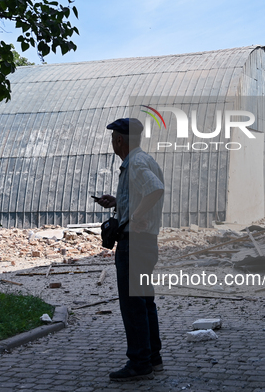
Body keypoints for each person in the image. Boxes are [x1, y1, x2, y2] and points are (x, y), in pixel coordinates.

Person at [95, 117, 165, 382]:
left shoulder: (134, 162)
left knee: (133, 306)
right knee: (145, 303)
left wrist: (134, 217)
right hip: (146, 243)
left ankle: (139, 363)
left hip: (134, 245)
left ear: (119, 140)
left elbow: (155, 190)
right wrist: (118, 203)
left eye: (113, 138)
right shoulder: (145, 160)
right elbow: (146, 192)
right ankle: (152, 358)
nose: (112, 142)